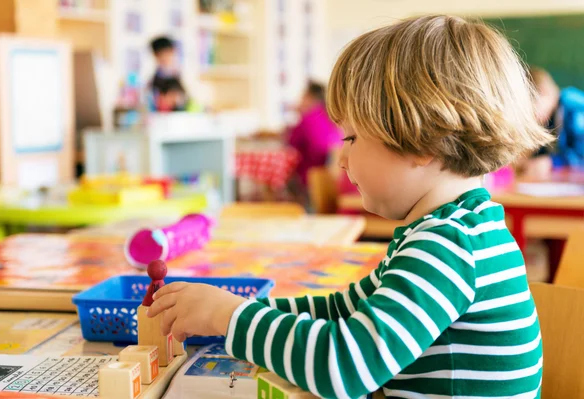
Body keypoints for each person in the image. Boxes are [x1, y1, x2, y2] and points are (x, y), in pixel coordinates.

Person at [147, 15, 552, 398]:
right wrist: (239, 308)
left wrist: (229, 317)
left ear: (423, 143)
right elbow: (344, 309)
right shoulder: (452, 228)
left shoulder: (449, 246)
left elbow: (343, 367)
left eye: (352, 139)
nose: (341, 160)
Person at [520, 67, 584, 179]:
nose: (528, 116)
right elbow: (544, 151)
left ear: (544, 93)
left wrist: (552, 162)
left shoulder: (572, 107)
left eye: (530, 106)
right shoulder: (549, 118)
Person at [286, 81, 343, 188]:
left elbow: (291, 143)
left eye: (302, 97)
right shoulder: (327, 115)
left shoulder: (307, 119)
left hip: (312, 174)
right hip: (330, 172)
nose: (300, 101)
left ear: (309, 98)